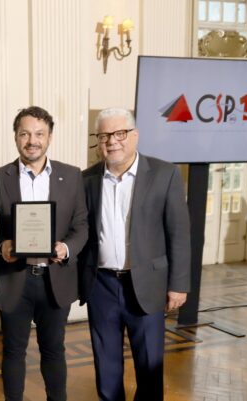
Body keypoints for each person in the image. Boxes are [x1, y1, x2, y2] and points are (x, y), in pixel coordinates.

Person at [78, 107, 191, 401]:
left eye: (119, 134)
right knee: (107, 366)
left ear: (135, 136)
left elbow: (178, 232)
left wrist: (179, 284)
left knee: (149, 364)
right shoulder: (86, 179)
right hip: (101, 285)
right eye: (104, 136)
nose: (112, 141)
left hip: (147, 284)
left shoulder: (165, 174)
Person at [0, 106, 88, 401]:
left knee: (54, 350)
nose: (32, 140)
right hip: (14, 278)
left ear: (50, 137)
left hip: (55, 279)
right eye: (25, 134)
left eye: (39, 134)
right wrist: (0, 246)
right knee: (13, 351)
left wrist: (66, 248)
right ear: (16, 137)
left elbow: (81, 225)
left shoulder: (71, 176)